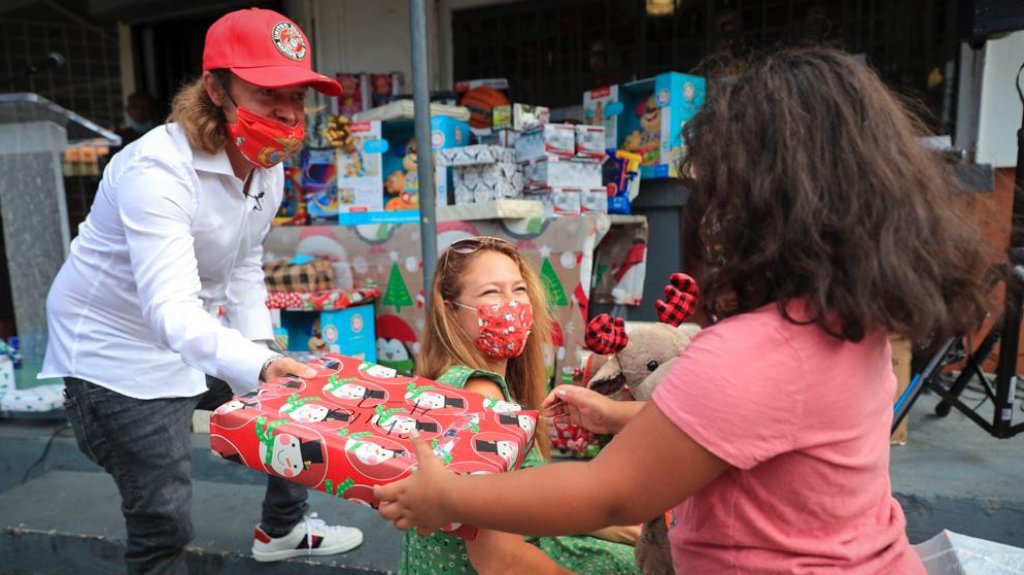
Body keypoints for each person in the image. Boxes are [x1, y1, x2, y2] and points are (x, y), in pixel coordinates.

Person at [374, 48, 990, 574]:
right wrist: (620, 418)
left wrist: (448, 496)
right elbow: (750, 428)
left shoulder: (752, 353)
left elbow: (606, 493)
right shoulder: (852, 323)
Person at [42, 8, 364, 574]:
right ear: (216, 89)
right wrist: (258, 367)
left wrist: (265, 358)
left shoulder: (266, 165)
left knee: (293, 402)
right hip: (114, 353)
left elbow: (244, 264)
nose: (288, 114)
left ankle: (283, 528)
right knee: (164, 517)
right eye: (268, 94)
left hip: (191, 326)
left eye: (297, 96)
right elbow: (167, 310)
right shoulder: (156, 172)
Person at [401, 235, 641, 574]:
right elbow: (497, 556)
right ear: (451, 311)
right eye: (491, 293)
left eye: (518, 289)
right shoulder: (480, 393)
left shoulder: (480, 383)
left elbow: (521, 502)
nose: (511, 305)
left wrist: (611, 522)